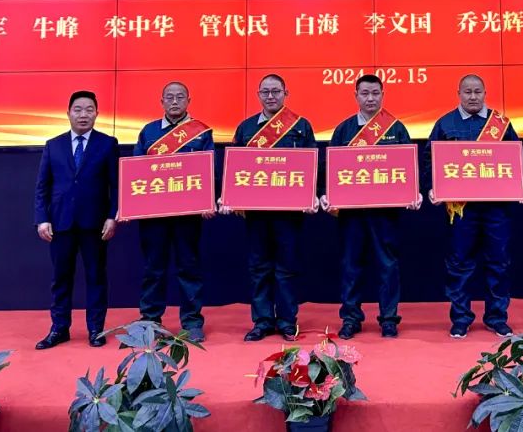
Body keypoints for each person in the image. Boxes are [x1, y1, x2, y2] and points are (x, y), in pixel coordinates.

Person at [425, 74, 523, 339]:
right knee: (459, 264)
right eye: (467, 92)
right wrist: (434, 187)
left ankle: (497, 318)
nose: (473, 97)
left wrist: (521, 184)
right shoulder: (445, 124)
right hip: (462, 209)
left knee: (498, 263)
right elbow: (429, 160)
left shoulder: (501, 124)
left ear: (485, 93)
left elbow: (516, 158)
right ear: (458, 93)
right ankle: (460, 319)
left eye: (477, 91)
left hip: (496, 207)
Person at [321, 74, 419, 339]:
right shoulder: (344, 130)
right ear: (356, 96)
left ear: (383, 95)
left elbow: (408, 167)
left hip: (385, 213)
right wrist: (326, 195)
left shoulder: (396, 128)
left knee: (387, 265)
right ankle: (351, 318)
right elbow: (329, 169)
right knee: (351, 265)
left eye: (375, 93)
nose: (370, 99)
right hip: (351, 213)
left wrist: (413, 193)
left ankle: (388, 319)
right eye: (365, 93)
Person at [222, 74, 317, 342]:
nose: (271, 96)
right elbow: (234, 167)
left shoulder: (300, 126)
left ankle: (287, 321)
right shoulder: (246, 128)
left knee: (286, 268)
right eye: (265, 92)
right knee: (259, 268)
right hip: (256, 213)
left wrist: (313, 194)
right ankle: (262, 321)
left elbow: (313, 165)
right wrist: (230, 197)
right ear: (258, 95)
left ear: (286, 93)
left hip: (289, 213)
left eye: (276, 91)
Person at [33, 90, 119, 349]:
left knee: (96, 277)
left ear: (97, 114)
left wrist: (112, 216)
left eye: (89, 110)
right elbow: (42, 187)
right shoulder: (53, 145)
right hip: (60, 222)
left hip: (95, 223)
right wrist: (42, 219)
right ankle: (59, 328)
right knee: (61, 278)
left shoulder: (107, 144)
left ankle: (96, 329)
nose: (84, 115)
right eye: (78, 109)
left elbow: (116, 185)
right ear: (68, 113)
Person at [132, 81, 215, 343]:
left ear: (189, 100)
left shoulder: (201, 133)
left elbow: (210, 170)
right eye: (170, 97)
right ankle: (150, 321)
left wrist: (207, 201)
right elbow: (135, 171)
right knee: (153, 269)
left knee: (188, 268)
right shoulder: (148, 132)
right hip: (154, 215)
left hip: (187, 216)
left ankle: (192, 322)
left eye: (180, 97)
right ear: (162, 101)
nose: (175, 101)